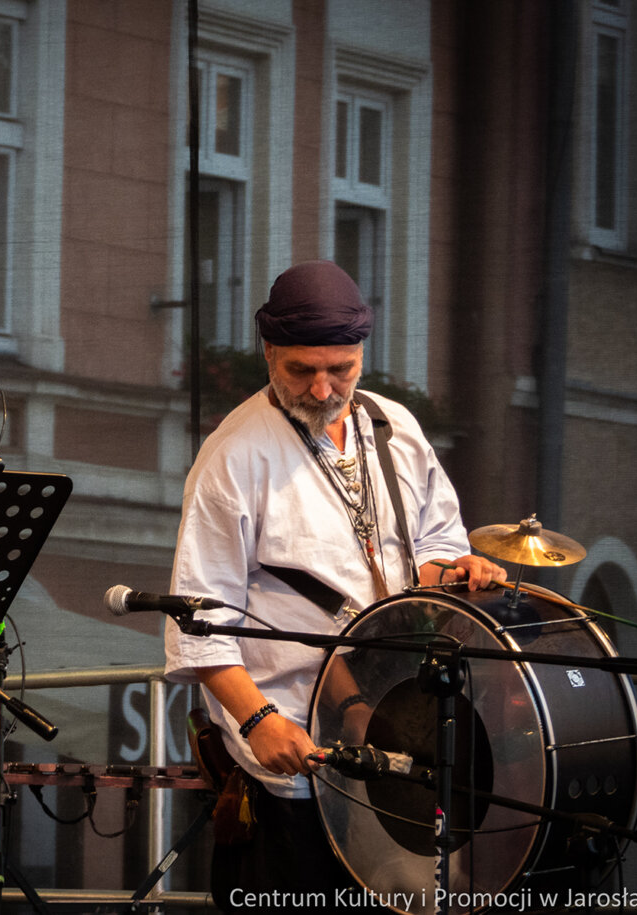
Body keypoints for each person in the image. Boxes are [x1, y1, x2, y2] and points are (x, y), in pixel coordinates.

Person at [164, 261, 506, 912]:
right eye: (301, 370)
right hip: (290, 758)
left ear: (361, 355)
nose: (322, 388)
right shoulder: (234, 457)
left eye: (340, 369)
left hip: (393, 737)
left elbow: (430, 548)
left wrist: (456, 571)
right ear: (269, 354)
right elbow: (197, 621)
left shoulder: (396, 430)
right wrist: (258, 719)